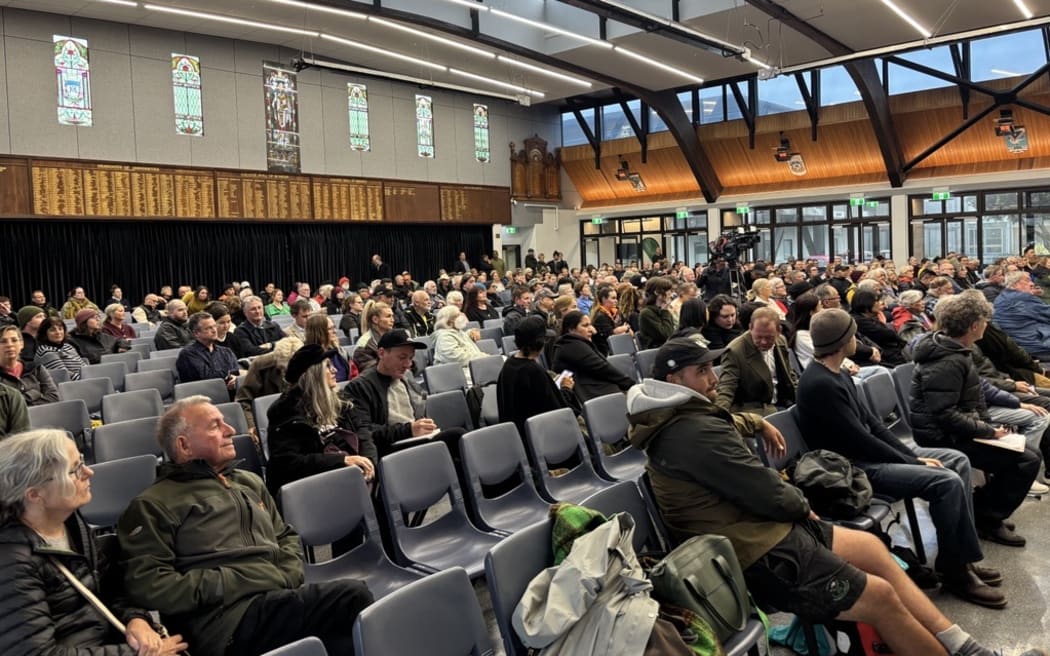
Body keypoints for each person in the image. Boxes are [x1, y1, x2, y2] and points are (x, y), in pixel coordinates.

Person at [625, 338, 1044, 656]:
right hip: (753, 549)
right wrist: (801, 504)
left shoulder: (680, 415)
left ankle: (960, 643)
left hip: (758, 527)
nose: (713, 378)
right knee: (879, 596)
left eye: (711, 368)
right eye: (702, 372)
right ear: (673, 380)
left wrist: (754, 422)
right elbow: (763, 490)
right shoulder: (692, 432)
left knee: (870, 547)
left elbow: (723, 423)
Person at [118, 397, 373, 656]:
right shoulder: (153, 503)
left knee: (343, 628)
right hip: (226, 623)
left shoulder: (249, 482)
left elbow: (286, 536)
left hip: (276, 599)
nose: (230, 430)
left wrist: (284, 575)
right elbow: (149, 583)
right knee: (351, 598)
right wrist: (235, 581)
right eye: (215, 426)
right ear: (184, 446)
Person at [796, 309, 1005, 608]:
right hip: (855, 470)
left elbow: (875, 425)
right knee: (945, 482)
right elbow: (861, 440)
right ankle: (956, 572)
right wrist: (913, 462)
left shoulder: (837, 372)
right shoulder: (819, 384)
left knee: (957, 461)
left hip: (868, 457)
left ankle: (961, 558)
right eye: (853, 334)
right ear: (843, 341)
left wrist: (912, 456)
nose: (857, 339)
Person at [0, 429, 188, 655]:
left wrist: (135, 619)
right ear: (35, 494)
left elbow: (108, 587)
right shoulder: (12, 561)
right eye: (75, 470)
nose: (88, 472)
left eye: (82, 462)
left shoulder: (70, 522)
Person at [910, 291, 1043, 547]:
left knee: (1029, 455)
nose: (986, 325)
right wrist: (989, 432)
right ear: (973, 326)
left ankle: (983, 510)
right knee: (1025, 461)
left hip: (957, 429)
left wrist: (1008, 408)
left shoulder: (957, 350)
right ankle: (988, 517)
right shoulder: (947, 361)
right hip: (942, 436)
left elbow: (979, 389)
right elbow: (945, 415)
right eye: (984, 321)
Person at [265, 344, 376, 500]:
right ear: (313, 374)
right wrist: (341, 461)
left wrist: (369, 461)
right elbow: (288, 463)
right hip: (314, 491)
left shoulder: (340, 401)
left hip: (351, 477)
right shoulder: (285, 412)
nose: (335, 370)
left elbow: (363, 432)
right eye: (328, 366)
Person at [343, 330, 465, 458]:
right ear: (381, 353)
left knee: (460, 441)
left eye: (411, 358)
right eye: (402, 358)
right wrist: (408, 430)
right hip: (390, 447)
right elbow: (364, 432)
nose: (408, 364)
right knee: (456, 437)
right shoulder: (359, 387)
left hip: (414, 439)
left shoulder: (406, 377)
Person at [497, 316, 571, 437]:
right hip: (540, 438)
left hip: (517, 437)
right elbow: (556, 410)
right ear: (540, 342)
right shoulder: (533, 370)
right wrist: (566, 389)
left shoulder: (509, 364)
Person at [715, 306, 797, 416]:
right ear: (750, 328)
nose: (763, 342)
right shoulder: (735, 351)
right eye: (758, 337)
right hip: (757, 409)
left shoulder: (781, 341)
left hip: (785, 402)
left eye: (769, 337)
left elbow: (789, 375)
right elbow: (726, 388)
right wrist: (720, 416)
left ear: (779, 331)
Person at [551, 311, 634, 404]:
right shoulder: (572, 345)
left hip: (594, 390)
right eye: (585, 326)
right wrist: (631, 385)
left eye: (590, 325)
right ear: (571, 329)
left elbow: (602, 361)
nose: (591, 329)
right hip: (590, 396)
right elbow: (602, 368)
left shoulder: (575, 343)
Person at [236, 336, 302, 432]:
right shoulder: (260, 365)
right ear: (276, 359)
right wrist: (252, 426)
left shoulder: (310, 366)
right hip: (268, 421)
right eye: (283, 369)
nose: (286, 373)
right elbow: (244, 401)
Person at [175, 312, 239, 394]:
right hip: (201, 397)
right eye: (208, 328)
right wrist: (229, 375)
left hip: (230, 393)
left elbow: (236, 371)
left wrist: (235, 378)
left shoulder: (226, 351)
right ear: (196, 333)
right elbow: (207, 377)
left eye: (214, 326)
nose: (214, 330)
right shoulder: (187, 354)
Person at [993, 271, 1050, 359]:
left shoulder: (1002, 297)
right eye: (1027, 281)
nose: (1032, 284)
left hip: (1016, 344)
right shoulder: (1023, 298)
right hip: (1034, 346)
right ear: (1015, 284)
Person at [0, 325, 58, 406]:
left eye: (14, 340)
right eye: (3, 341)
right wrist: (34, 394)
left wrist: (26, 405)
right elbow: (4, 408)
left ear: (21, 344)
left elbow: (54, 397)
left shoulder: (37, 369)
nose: (10, 345)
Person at [851, 289, 909, 367]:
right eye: (876, 301)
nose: (881, 304)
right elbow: (887, 335)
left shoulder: (870, 318)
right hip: (883, 357)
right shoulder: (859, 321)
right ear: (866, 303)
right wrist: (883, 324)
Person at [304, 313, 355, 383]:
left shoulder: (340, 351)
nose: (335, 331)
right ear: (319, 333)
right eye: (330, 329)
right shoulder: (310, 358)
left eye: (334, 327)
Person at [35, 316, 87, 381]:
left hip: (84, 380)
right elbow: (64, 375)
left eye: (60, 329)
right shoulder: (45, 351)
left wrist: (91, 375)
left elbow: (84, 366)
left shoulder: (68, 346)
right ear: (44, 333)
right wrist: (88, 380)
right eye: (52, 330)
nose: (58, 332)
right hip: (70, 386)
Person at [590, 285, 632, 357]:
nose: (616, 300)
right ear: (604, 299)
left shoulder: (617, 312)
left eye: (616, 298)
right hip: (606, 351)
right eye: (613, 298)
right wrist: (623, 329)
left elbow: (630, 331)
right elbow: (611, 335)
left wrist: (624, 329)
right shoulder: (600, 316)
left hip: (620, 345)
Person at [353, 300, 395, 372]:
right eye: (388, 316)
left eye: (392, 316)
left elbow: (412, 366)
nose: (393, 320)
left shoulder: (394, 337)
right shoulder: (364, 346)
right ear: (375, 319)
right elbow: (372, 372)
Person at [638, 276, 675, 350]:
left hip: (667, 347)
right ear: (657, 292)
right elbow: (667, 334)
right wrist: (665, 312)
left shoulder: (662, 309)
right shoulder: (646, 313)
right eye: (668, 290)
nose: (671, 294)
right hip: (655, 351)